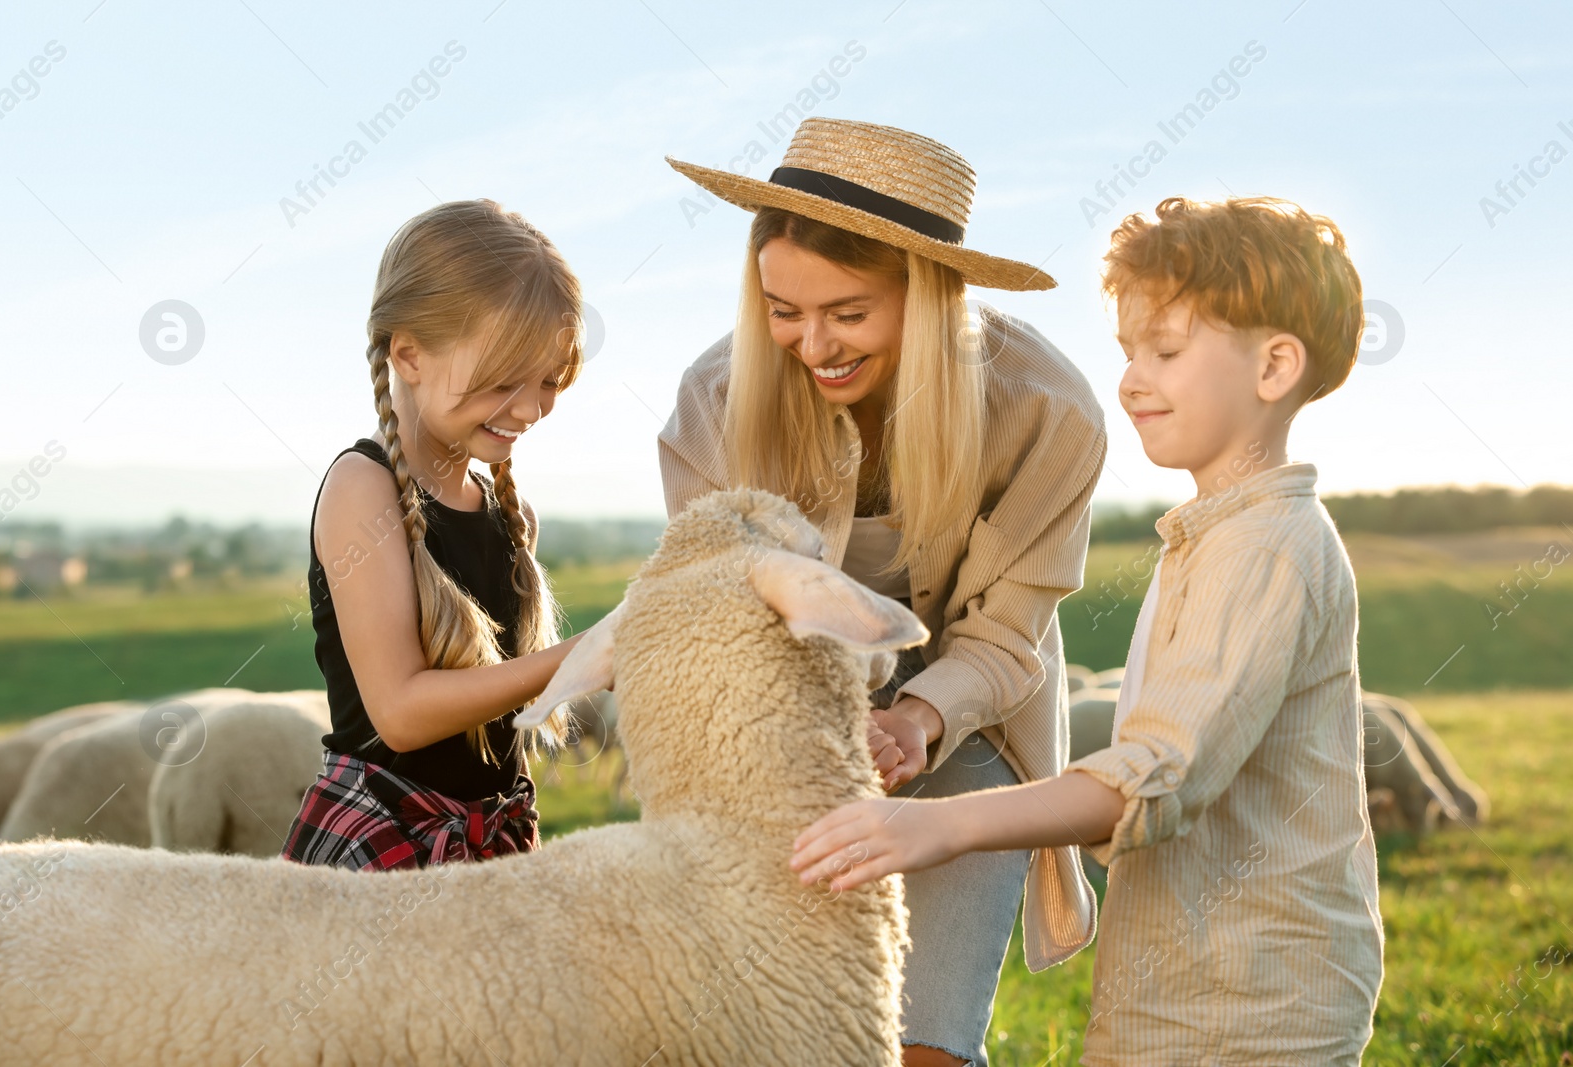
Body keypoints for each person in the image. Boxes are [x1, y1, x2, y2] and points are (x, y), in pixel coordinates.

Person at [792, 195, 1385, 1064]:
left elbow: (1153, 775)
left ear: (1275, 366)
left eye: (1168, 350)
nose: (1132, 379)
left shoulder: (1266, 549)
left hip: (1256, 1000)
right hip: (1180, 981)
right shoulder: (1215, 532)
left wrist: (942, 825)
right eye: (1128, 351)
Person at [659, 116, 1108, 1067]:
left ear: (931, 296)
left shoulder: (1047, 412)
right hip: (772, 742)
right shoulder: (713, 400)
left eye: (849, 314)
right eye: (784, 309)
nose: (812, 343)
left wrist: (914, 719)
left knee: (926, 1045)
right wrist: (804, 737)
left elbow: (1008, 633)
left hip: (968, 729)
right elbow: (710, 613)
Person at [281, 199, 594, 871]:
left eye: (549, 381)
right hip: (380, 852)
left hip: (493, 844)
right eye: (505, 380)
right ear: (409, 352)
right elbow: (400, 711)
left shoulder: (509, 512)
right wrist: (588, 654)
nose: (532, 409)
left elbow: (502, 697)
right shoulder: (364, 490)